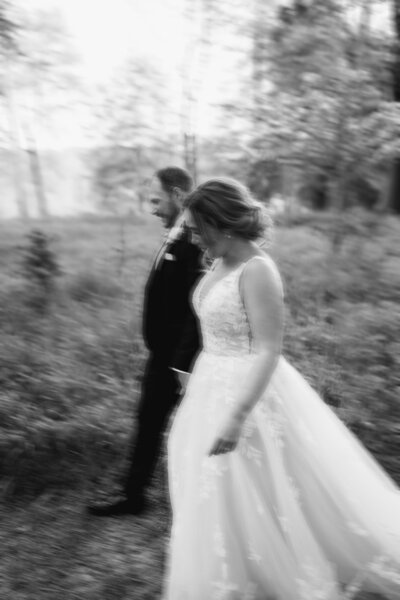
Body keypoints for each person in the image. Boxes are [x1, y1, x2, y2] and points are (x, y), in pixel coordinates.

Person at [163, 177, 400, 599]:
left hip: (249, 393)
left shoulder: (259, 271)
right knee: (215, 487)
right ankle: (230, 573)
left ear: (223, 224)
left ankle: (279, 568)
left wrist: (238, 414)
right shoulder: (217, 262)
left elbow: (269, 349)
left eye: (199, 228)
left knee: (266, 484)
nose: (194, 237)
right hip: (209, 384)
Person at [88, 166, 203, 517]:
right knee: (149, 420)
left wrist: (180, 364)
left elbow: (195, 308)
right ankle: (135, 494)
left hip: (178, 359)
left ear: (178, 195)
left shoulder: (194, 241)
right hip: (162, 353)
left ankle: (150, 496)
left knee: (179, 423)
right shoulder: (174, 234)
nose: (152, 208)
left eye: (157, 199)